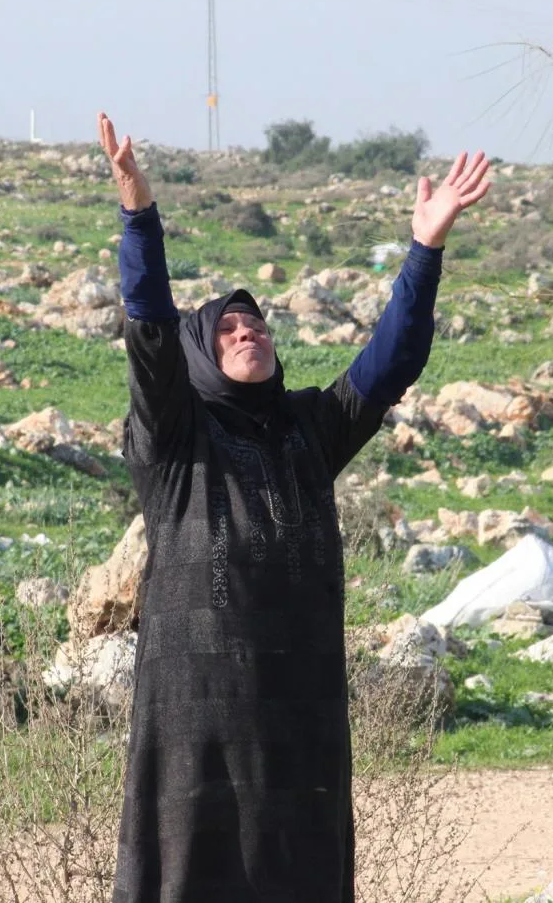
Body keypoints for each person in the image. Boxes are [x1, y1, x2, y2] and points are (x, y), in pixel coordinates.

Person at [100, 111, 490, 903]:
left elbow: (391, 364)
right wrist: (139, 217)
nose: (249, 332)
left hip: (301, 735)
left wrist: (426, 249)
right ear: (201, 358)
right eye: (228, 329)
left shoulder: (311, 432)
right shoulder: (175, 443)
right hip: (198, 739)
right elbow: (148, 337)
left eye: (258, 323)